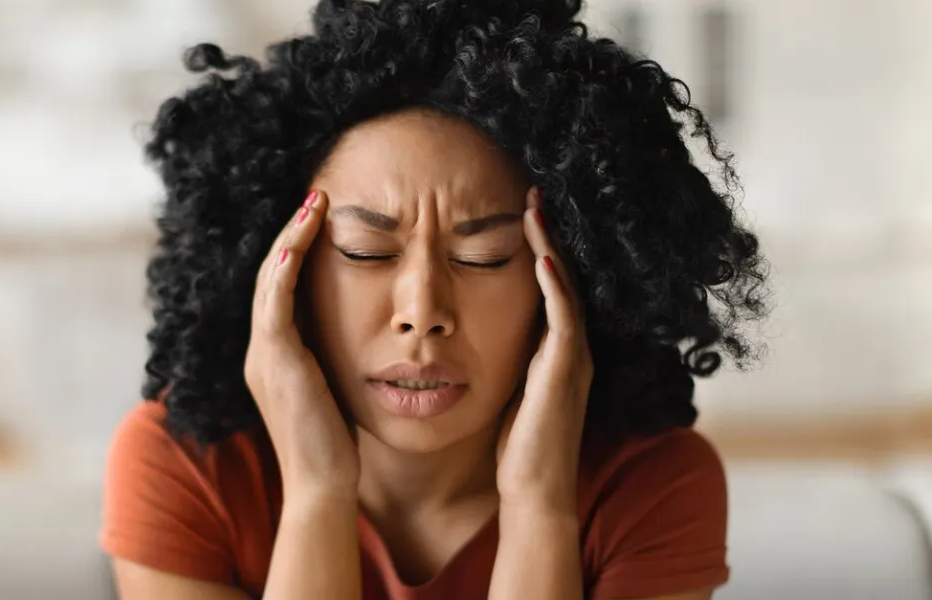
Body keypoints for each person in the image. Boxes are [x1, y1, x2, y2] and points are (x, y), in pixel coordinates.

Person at [100, 1, 769, 598]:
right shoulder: (186, 466)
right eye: (365, 251)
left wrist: (539, 508)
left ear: (575, 278)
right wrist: (316, 494)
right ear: (284, 269)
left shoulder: (650, 485)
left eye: (484, 256)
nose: (422, 312)